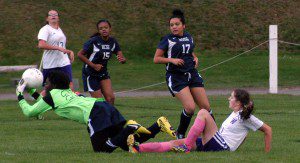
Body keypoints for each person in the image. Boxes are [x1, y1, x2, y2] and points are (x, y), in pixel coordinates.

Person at [16, 71, 175, 153]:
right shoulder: (67, 92)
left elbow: (30, 112)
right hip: (103, 106)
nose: (45, 85)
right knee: (127, 144)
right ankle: (158, 125)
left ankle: (130, 127)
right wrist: (31, 90)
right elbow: (43, 103)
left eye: (48, 83)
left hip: (95, 113)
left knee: (101, 149)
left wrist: (19, 94)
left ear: (54, 84)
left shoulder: (51, 96)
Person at [127, 89, 272, 153]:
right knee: (174, 143)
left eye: (232, 97)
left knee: (203, 112)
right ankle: (137, 149)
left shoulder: (244, 116)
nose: (229, 98)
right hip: (215, 144)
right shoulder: (237, 114)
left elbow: (268, 130)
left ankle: (187, 147)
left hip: (221, 146)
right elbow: (242, 134)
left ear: (239, 102)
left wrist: (267, 153)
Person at [153, 9, 213, 139]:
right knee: (190, 108)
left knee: (206, 107)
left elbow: (189, 52)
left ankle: (213, 135)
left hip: (192, 74)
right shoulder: (167, 40)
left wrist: (195, 57)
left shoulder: (189, 37)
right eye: (171, 25)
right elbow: (156, 58)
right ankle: (180, 134)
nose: (174, 27)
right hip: (176, 77)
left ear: (183, 25)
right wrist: (171, 60)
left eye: (177, 24)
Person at [77, 19, 126, 105]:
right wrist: (94, 65)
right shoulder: (93, 41)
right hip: (90, 73)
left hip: (103, 73)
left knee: (111, 98)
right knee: (100, 102)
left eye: (106, 27)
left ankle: (110, 117)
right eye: (101, 28)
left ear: (110, 29)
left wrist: (122, 59)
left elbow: (120, 55)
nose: (104, 29)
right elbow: (80, 54)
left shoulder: (113, 42)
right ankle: (95, 117)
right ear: (99, 31)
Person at [37, 10, 74, 92]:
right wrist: (57, 48)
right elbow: (41, 45)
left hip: (63, 62)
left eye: (55, 15)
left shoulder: (59, 30)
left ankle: (68, 103)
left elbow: (61, 47)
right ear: (47, 18)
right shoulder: (45, 29)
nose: (53, 16)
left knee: (69, 84)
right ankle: (42, 103)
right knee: (50, 88)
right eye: (51, 15)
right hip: (51, 64)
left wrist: (69, 52)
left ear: (58, 18)